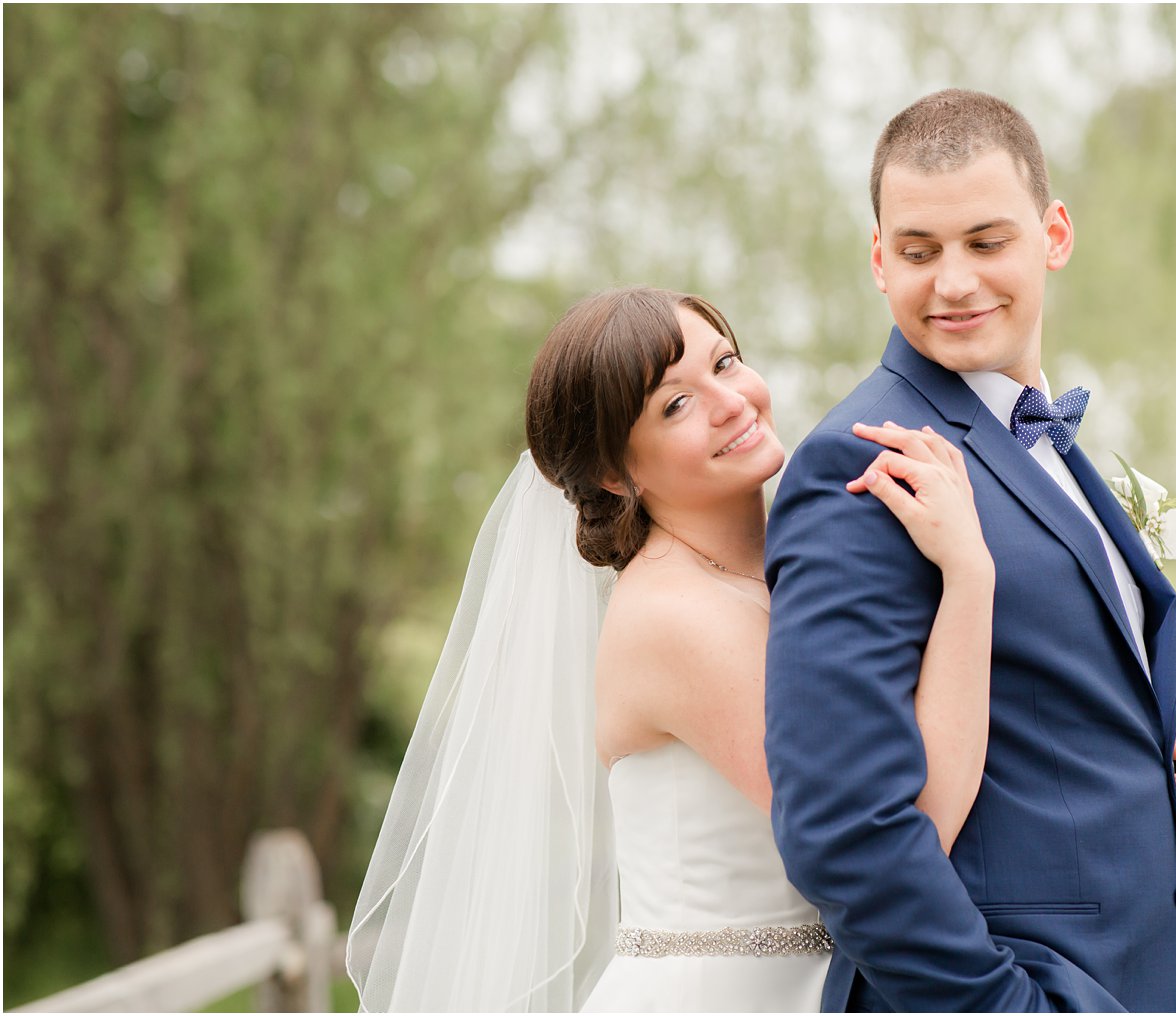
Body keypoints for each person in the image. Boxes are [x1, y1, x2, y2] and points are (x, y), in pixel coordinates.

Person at [347, 285, 1001, 1012]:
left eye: (724, 364)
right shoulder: (672, 618)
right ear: (613, 474)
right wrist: (970, 576)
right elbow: (913, 827)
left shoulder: (790, 576)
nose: (730, 401)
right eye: (676, 405)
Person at [764, 88, 1176, 1012]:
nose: (955, 282)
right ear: (879, 260)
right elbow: (845, 832)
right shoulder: (862, 467)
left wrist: (1147, 728)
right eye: (919, 252)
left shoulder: (1034, 431)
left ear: (1053, 234)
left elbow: (1038, 669)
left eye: (986, 241)